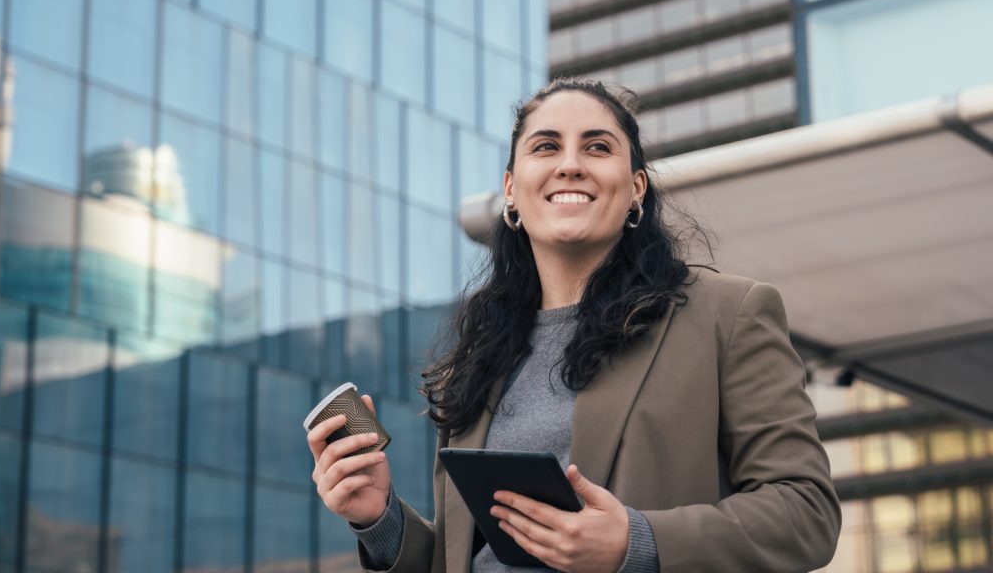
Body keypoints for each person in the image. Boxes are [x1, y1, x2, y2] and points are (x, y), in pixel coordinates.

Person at [307, 78, 841, 572]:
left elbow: (806, 512)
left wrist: (636, 541)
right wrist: (378, 518)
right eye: (545, 146)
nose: (570, 164)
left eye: (598, 146)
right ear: (511, 190)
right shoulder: (481, 355)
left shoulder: (729, 315)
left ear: (636, 188)